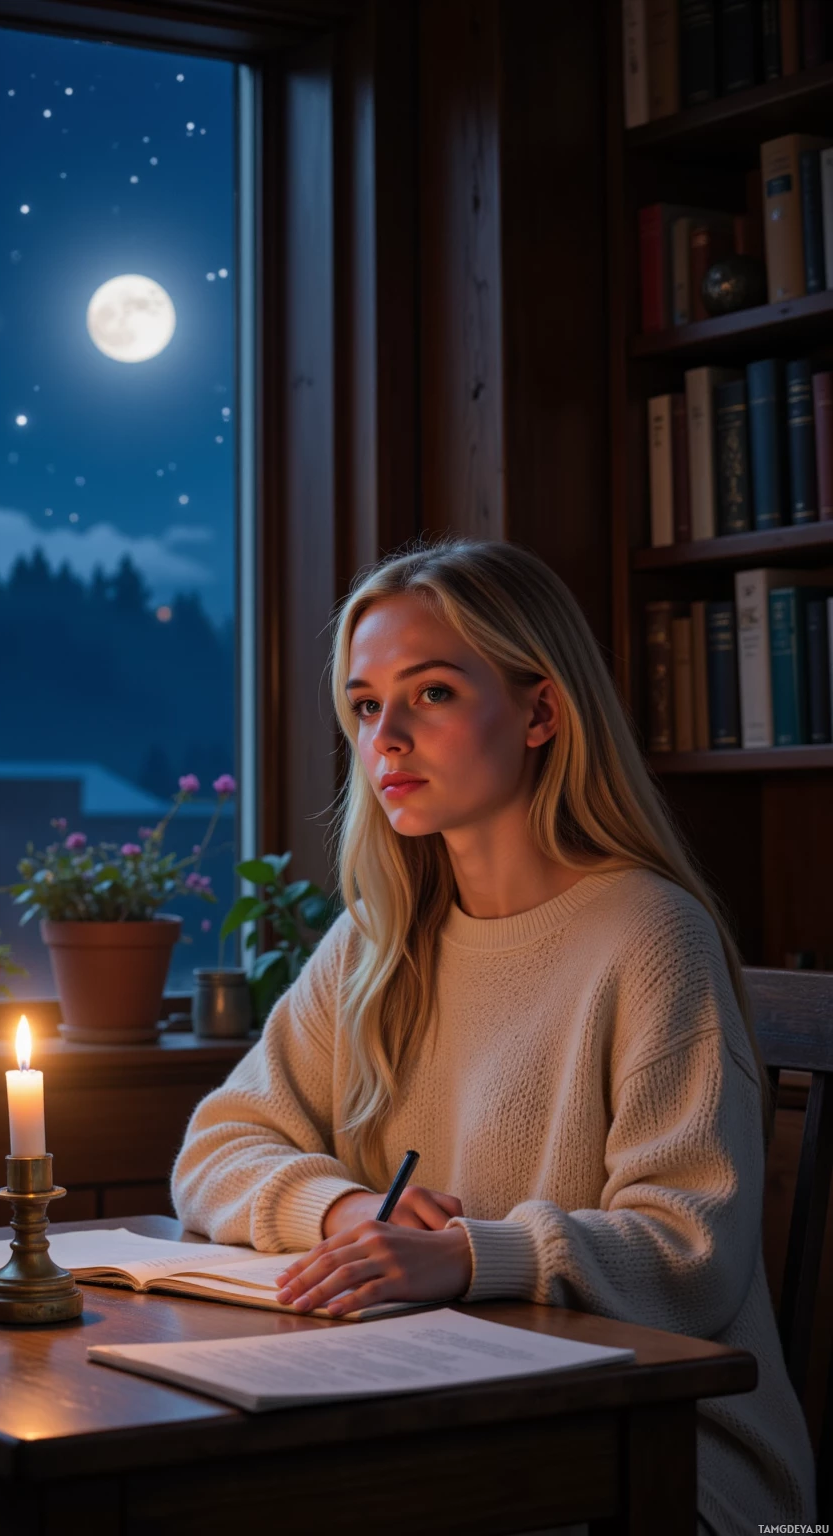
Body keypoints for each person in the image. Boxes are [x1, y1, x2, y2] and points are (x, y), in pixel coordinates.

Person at [171, 537, 817, 1536]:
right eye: (363, 704)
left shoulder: (648, 936)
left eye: (428, 694)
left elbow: (691, 1252)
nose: (384, 738)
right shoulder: (378, 941)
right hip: (429, 1417)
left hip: (657, 1456)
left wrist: (471, 1257)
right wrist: (343, 1214)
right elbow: (215, 1150)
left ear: (539, 713)